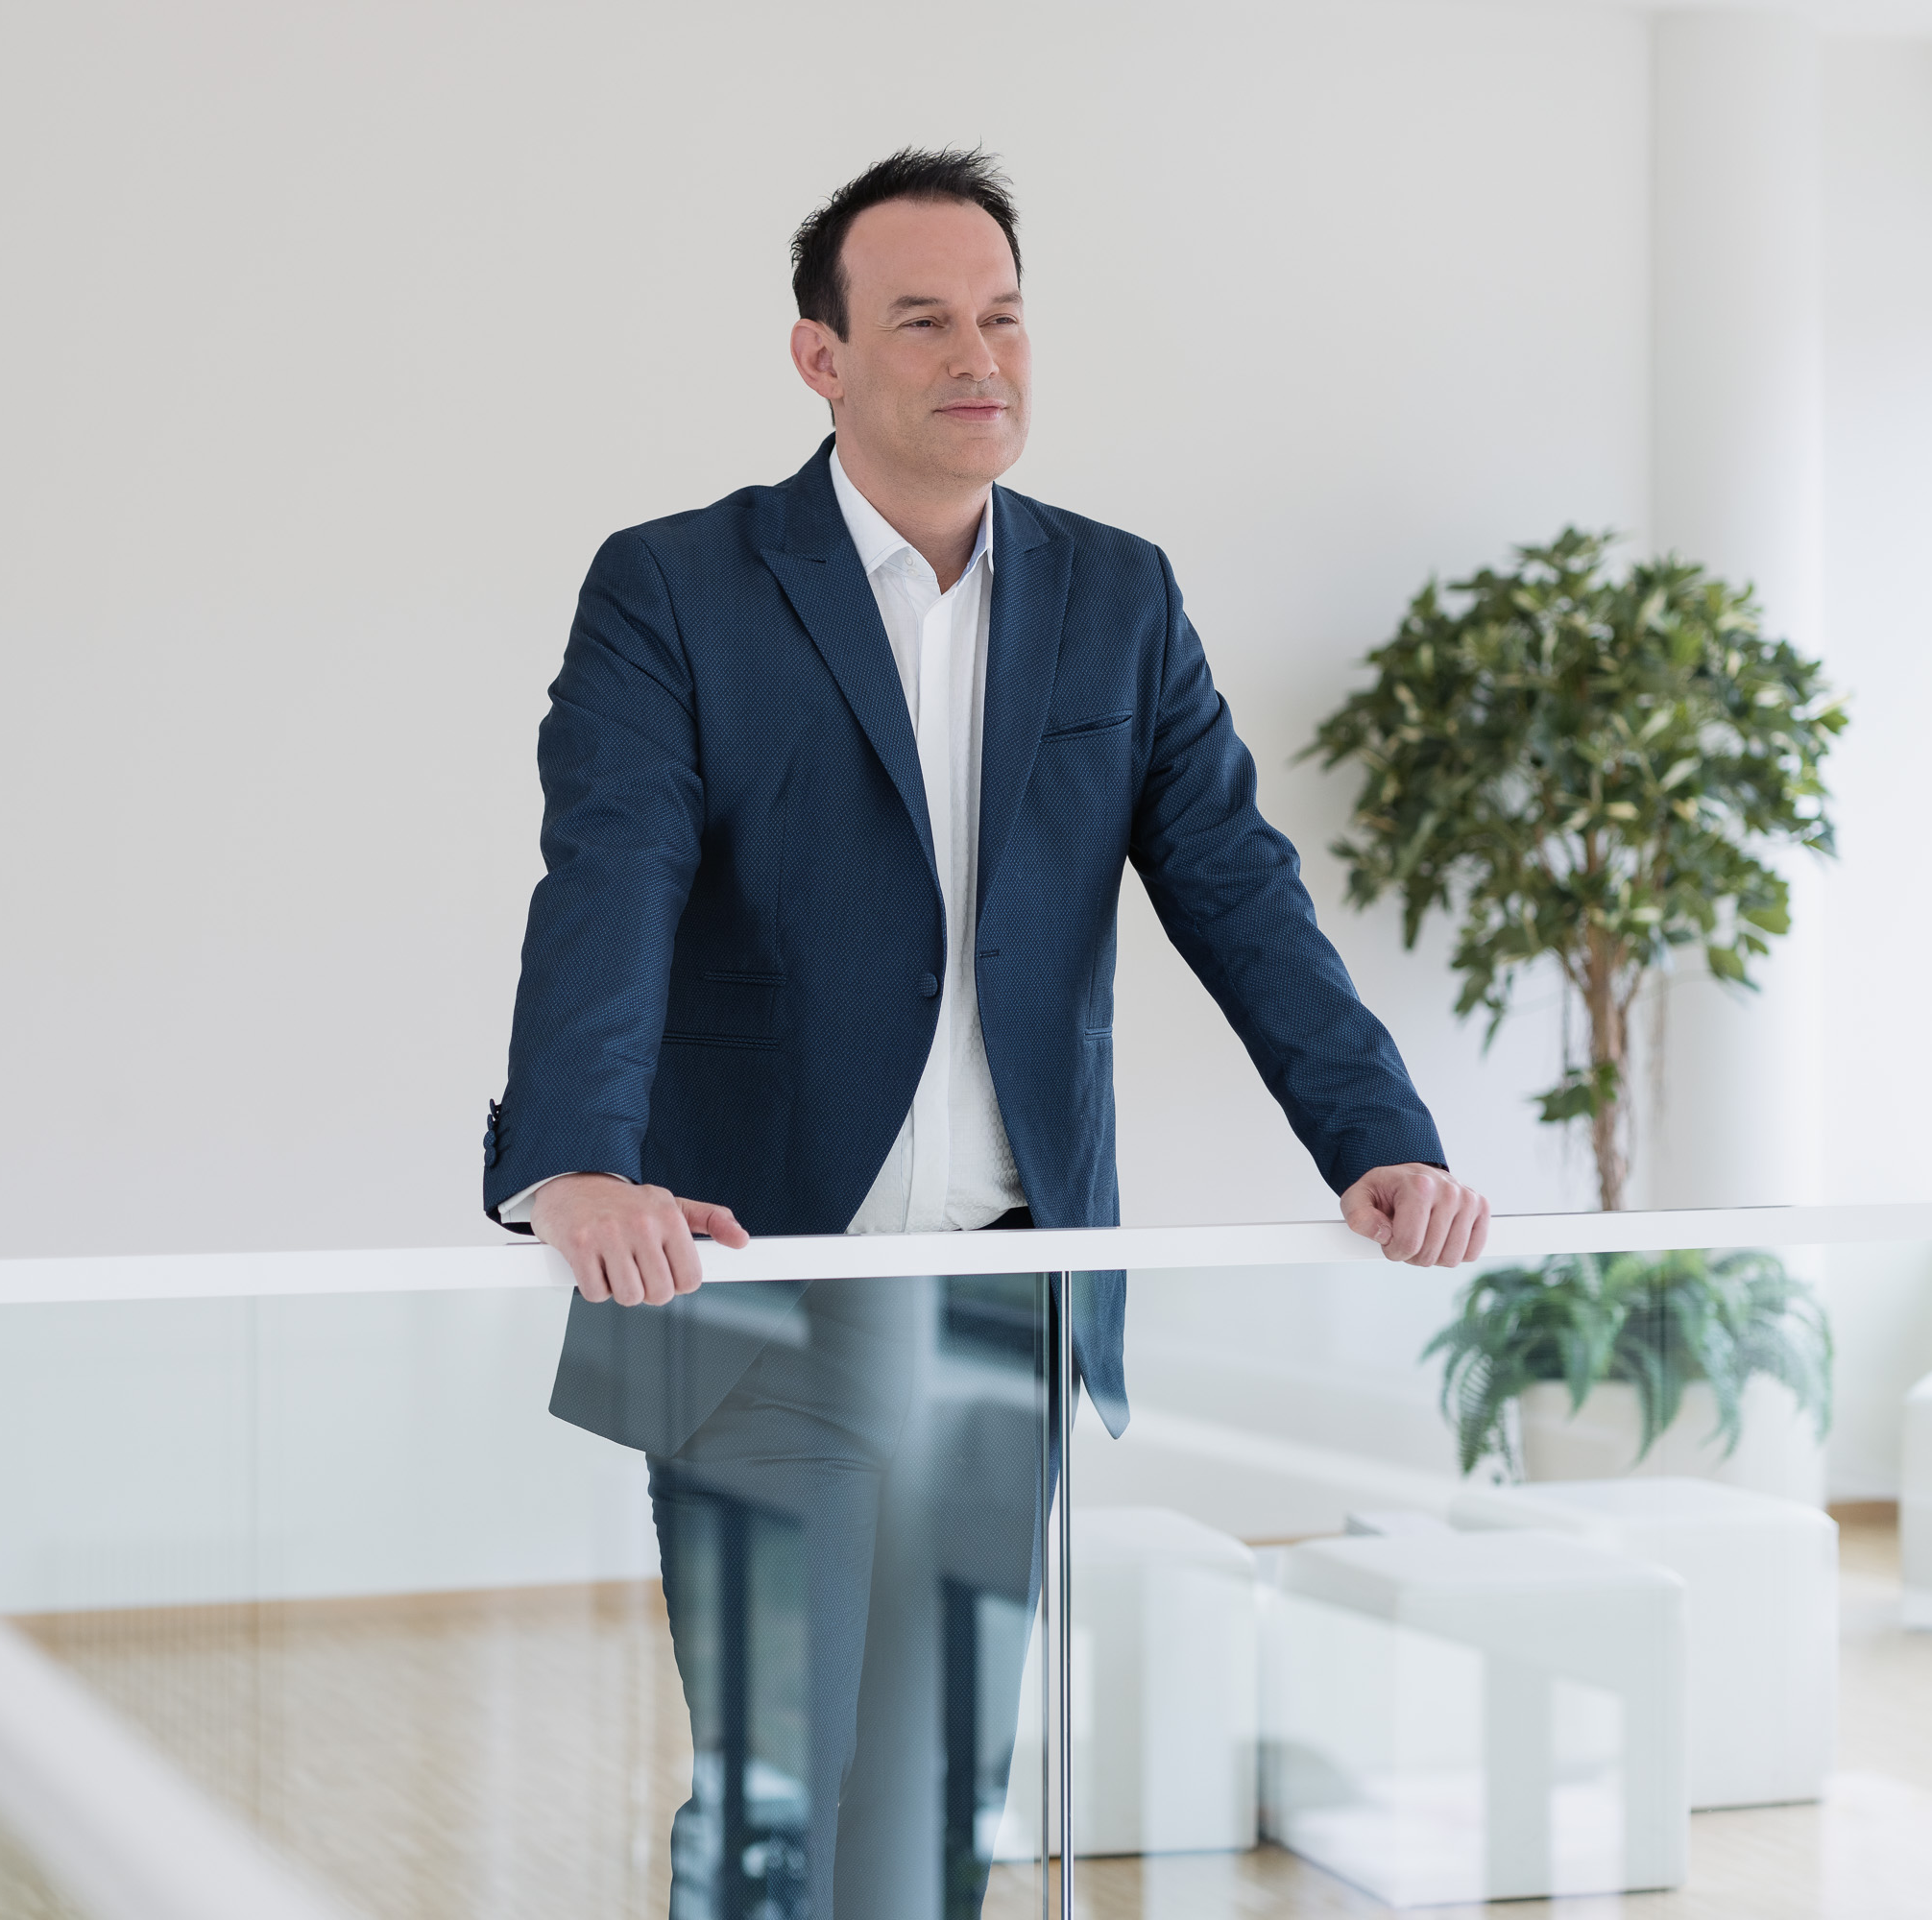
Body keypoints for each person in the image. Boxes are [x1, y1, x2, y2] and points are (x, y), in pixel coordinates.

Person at [486, 148, 1489, 1920]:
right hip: (759, 1283)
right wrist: (575, 1161)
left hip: (1004, 1302)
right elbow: (609, 879)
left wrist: (1380, 1139)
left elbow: (1238, 890)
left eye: (1006, 317)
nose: (980, 357)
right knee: (781, 1803)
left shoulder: (1118, 596)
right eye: (925, 321)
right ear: (821, 358)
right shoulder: (676, 586)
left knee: (941, 1807)